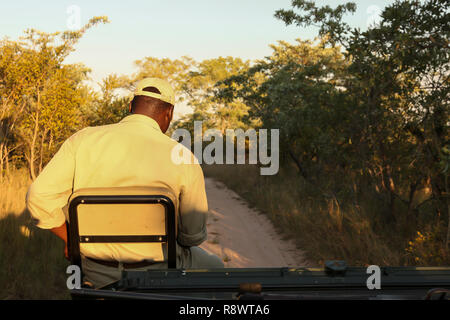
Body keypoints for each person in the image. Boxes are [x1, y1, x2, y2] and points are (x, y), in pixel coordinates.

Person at [26, 77, 224, 288]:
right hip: (159, 271)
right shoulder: (182, 156)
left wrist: (70, 240)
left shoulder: (82, 140)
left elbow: (39, 197)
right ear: (169, 114)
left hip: (95, 271)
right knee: (218, 269)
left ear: (130, 107)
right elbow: (192, 237)